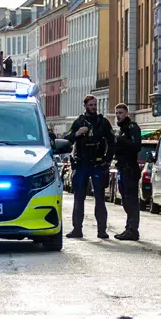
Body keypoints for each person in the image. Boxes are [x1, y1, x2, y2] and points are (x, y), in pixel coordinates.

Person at [62, 95, 113, 239]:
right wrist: (78, 133)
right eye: (91, 104)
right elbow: (67, 140)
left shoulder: (103, 122)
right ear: (85, 105)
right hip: (82, 164)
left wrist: (107, 160)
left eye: (95, 104)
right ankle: (77, 229)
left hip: (97, 164)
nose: (94, 107)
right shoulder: (78, 122)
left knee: (100, 199)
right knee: (79, 198)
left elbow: (112, 142)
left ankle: (102, 230)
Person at [111, 104, 142, 241]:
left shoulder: (132, 128)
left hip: (130, 170)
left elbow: (136, 146)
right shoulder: (122, 130)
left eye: (121, 113)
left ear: (127, 114)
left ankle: (132, 230)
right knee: (125, 201)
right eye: (117, 113)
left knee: (131, 201)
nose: (118, 115)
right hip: (123, 169)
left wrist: (122, 141)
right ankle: (129, 228)